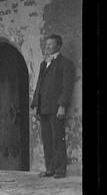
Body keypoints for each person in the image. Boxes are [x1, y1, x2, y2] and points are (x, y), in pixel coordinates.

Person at [31, 34, 75, 178]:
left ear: (58, 46)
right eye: (46, 44)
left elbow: (67, 87)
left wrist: (62, 106)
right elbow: (39, 86)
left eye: (51, 44)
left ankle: (60, 170)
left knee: (58, 139)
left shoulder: (65, 63)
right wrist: (35, 105)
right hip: (43, 107)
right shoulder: (44, 64)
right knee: (47, 139)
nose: (47, 46)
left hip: (56, 108)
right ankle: (49, 168)